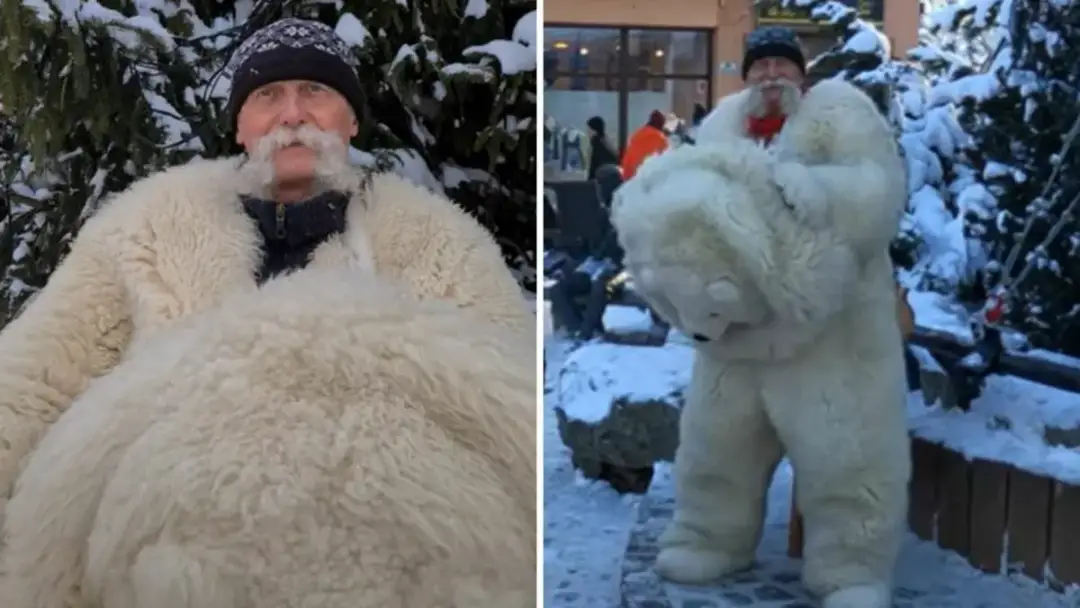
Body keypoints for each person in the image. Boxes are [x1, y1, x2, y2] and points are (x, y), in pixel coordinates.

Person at [0, 18, 534, 606]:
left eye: (316, 93)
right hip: (173, 555)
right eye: (267, 96)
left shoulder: (435, 243)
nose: (292, 115)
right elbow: (32, 382)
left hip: (398, 556)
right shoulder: (146, 231)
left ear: (351, 121)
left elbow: (511, 402)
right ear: (240, 126)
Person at [620, 109, 669, 179]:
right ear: (662, 125)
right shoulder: (661, 139)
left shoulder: (637, 135)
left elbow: (627, 159)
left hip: (627, 178)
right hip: (643, 181)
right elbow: (666, 161)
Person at [585, 115, 619, 180]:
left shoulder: (596, 144)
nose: (587, 132)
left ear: (594, 130)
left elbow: (593, 168)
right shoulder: (606, 141)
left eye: (588, 129)